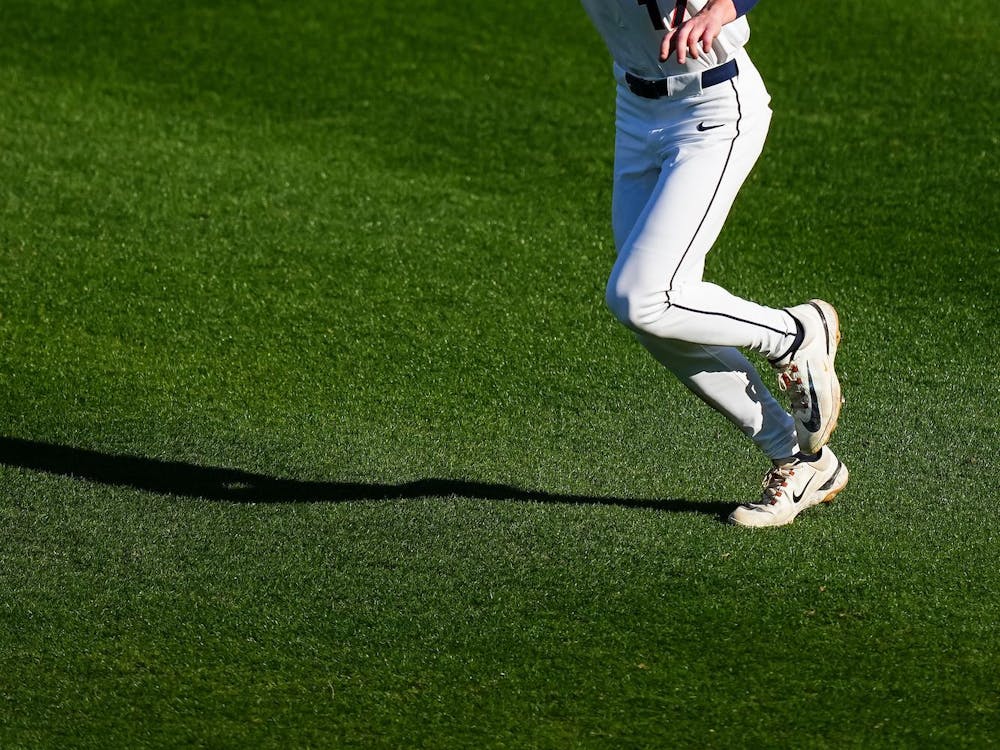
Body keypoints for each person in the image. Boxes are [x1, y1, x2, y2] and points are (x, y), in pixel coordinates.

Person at [579, 0, 847, 527]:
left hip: (714, 106)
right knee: (651, 316)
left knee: (642, 296)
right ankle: (801, 460)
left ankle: (794, 333)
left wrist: (723, 8)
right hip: (635, 110)